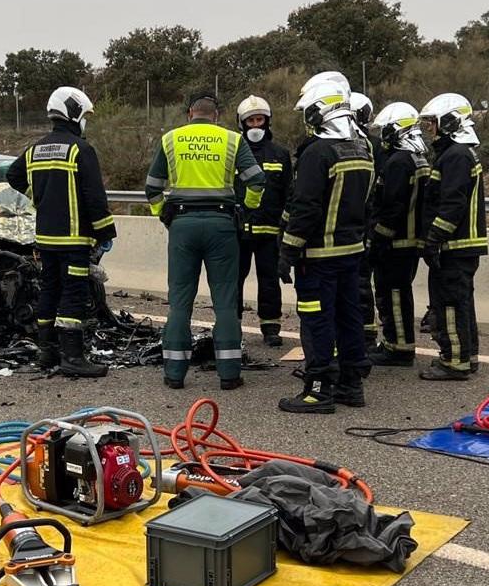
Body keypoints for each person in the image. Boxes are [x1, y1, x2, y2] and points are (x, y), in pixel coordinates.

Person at [145, 92, 266, 390]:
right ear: (216, 115)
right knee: (225, 300)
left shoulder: (171, 139)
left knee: (180, 300)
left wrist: (164, 214)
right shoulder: (231, 140)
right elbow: (257, 180)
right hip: (222, 225)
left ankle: (174, 374)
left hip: (183, 226)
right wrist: (245, 208)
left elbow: (152, 187)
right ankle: (229, 374)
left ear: (190, 114)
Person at [277, 75, 374, 413]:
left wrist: (288, 250)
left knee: (317, 321)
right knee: (349, 318)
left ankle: (318, 390)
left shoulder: (318, 152)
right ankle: (352, 384)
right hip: (351, 254)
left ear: (322, 111)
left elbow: (306, 207)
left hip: (317, 258)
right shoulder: (363, 148)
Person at [5, 86, 117, 379]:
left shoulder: (34, 149)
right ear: (74, 113)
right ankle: (73, 357)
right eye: (85, 115)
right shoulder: (82, 150)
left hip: (45, 239)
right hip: (73, 239)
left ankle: (47, 352)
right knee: (73, 294)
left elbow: (12, 175)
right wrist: (106, 232)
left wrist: (39, 196)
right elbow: (95, 197)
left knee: (50, 290)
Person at [417, 92, 488, 380]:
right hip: (463, 247)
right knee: (462, 303)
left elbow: (452, 204)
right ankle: (467, 356)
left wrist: (434, 238)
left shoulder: (456, 156)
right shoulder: (459, 153)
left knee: (449, 304)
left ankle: (454, 361)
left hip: (454, 246)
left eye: (433, 123)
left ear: (449, 122)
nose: (430, 129)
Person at [366, 102, 432, 366]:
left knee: (392, 293)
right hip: (412, 239)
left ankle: (399, 348)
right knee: (401, 292)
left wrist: (378, 239)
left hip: (395, 242)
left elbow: (391, 206)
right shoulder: (419, 157)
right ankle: (397, 343)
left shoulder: (397, 162)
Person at [233, 95, 291, 346]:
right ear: (242, 124)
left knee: (269, 279)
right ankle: (231, 325)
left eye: (260, 120)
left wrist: (284, 226)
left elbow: (289, 191)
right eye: (251, 121)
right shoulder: (233, 151)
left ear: (267, 122)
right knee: (233, 279)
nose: (255, 125)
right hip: (238, 229)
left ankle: (271, 327)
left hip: (269, 230)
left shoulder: (280, 154)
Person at [349, 91, 381, 352]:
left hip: (361, 225)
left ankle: (365, 337)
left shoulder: (363, 146)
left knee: (360, 283)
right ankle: (365, 335)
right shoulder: (373, 144)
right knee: (361, 284)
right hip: (365, 224)